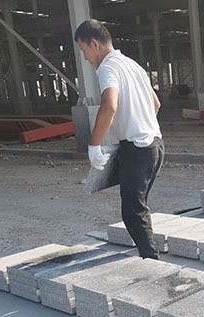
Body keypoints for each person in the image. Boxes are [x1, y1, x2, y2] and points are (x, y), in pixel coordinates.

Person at [74, 19, 164, 259]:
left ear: (95, 44)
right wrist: (141, 123)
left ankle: (151, 261)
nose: (85, 57)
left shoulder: (108, 67)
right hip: (155, 145)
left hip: (138, 149)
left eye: (84, 49)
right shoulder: (133, 65)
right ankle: (149, 254)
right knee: (138, 206)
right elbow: (156, 104)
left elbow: (109, 105)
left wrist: (94, 145)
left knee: (133, 211)